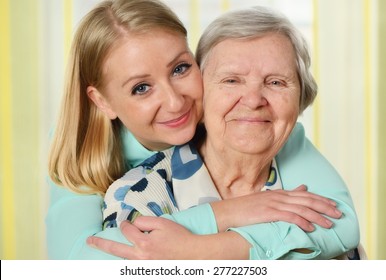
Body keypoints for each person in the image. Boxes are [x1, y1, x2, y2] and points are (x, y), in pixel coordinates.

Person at [46, 0, 357, 259]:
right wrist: (226, 213)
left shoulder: (250, 126)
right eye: (141, 88)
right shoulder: (81, 154)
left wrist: (208, 248)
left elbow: (341, 224)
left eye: (180, 68)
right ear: (103, 101)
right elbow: (80, 261)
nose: (175, 101)